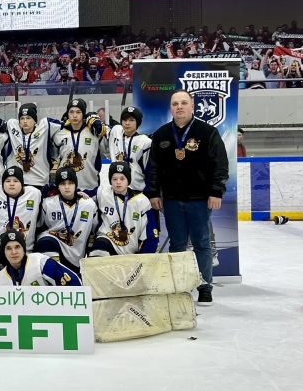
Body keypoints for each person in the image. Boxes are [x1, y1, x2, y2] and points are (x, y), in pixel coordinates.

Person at [147, 90, 228, 306]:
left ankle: (205, 286)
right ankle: (179, 286)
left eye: (184, 103)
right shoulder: (162, 134)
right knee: (177, 244)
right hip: (171, 200)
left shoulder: (207, 132)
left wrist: (216, 191)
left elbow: (220, 164)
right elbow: (153, 167)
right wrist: (153, 193)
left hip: (200, 200)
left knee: (201, 243)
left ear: (192, 106)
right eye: (175, 104)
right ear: (171, 108)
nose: (179, 107)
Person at [35, 167, 97, 273]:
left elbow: (95, 230)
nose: (67, 187)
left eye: (70, 183)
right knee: (45, 241)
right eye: (62, 184)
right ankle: (55, 277)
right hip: (55, 244)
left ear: (76, 185)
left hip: (77, 252)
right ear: (58, 186)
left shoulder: (88, 204)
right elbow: (39, 227)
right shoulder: (48, 203)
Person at [91, 162, 159, 257]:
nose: (118, 182)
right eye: (114, 179)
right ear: (110, 181)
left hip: (131, 250)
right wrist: (79, 194)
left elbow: (151, 234)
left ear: (128, 180)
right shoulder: (103, 193)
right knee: (98, 251)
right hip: (107, 242)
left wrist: (143, 257)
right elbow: (85, 195)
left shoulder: (142, 201)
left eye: (122, 179)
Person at [51, 98, 107, 196]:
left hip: (90, 188)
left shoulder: (94, 131)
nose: (74, 115)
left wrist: (95, 118)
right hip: (66, 188)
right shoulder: (59, 134)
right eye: (71, 112)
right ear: (67, 114)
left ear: (83, 114)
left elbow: (110, 142)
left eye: (78, 112)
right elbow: (53, 157)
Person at [0, 231, 81, 287]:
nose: (14, 252)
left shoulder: (40, 262)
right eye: (8, 248)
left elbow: (74, 282)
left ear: (23, 249)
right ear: (3, 252)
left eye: (17, 247)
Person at [5, 103, 62, 189]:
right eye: (22, 118)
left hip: (39, 181)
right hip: (18, 181)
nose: (25, 121)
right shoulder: (12, 127)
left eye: (28, 118)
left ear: (35, 120)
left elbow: (65, 124)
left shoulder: (44, 128)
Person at [107, 106, 151, 193]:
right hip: (116, 189)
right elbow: (102, 128)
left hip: (137, 190)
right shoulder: (115, 132)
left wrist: (150, 192)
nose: (127, 123)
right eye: (124, 120)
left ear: (138, 122)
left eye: (131, 120)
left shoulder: (145, 142)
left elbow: (150, 171)